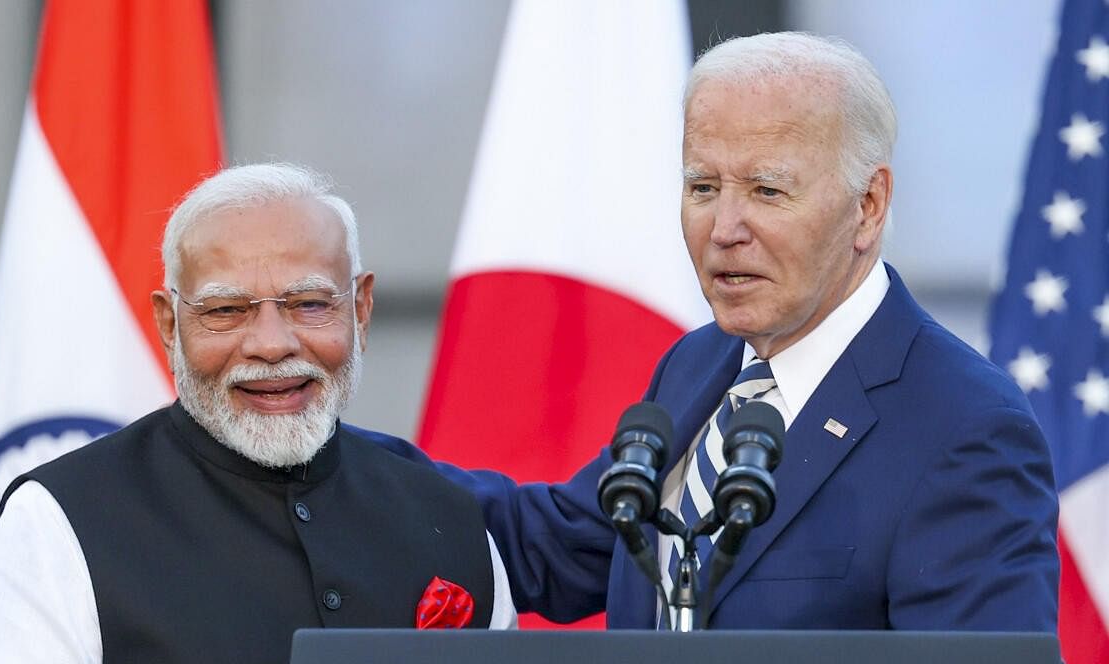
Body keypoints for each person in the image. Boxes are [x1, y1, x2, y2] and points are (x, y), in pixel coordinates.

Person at [376, 31, 1059, 631]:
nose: (724, 229)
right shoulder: (701, 362)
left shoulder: (965, 428)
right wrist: (336, 465)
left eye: (767, 191)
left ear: (868, 206)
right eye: (703, 187)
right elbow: (562, 544)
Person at [0, 163, 515, 664]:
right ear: (170, 324)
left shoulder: (448, 514)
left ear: (361, 311)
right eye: (226, 310)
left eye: (310, 304)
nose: (271, 345)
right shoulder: (59, 519)